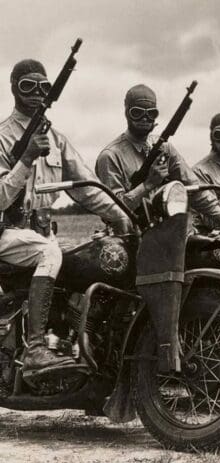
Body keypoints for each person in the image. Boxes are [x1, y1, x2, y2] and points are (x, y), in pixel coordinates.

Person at [0, 59, 130, 377]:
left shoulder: (57, 139)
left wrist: (122, 215)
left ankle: (85, 351)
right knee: (50, 252)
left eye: (43, 87)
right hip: (8, 232)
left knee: (95, 261)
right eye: (27, 86)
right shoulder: (3, 137)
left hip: (43, 234)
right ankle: (35, 349)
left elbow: (88, 188)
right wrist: (27, 157)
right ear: (14, 88)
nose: (36, 93)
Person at [95, 84, 220, 226]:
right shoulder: (110, 156)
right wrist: (148, 185)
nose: (145, 118)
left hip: (168, 231)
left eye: (151, 113)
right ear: (126, 112)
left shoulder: (165, 148)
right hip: (129, 235)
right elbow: (113, 211)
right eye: (137, 112)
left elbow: (196, 191)